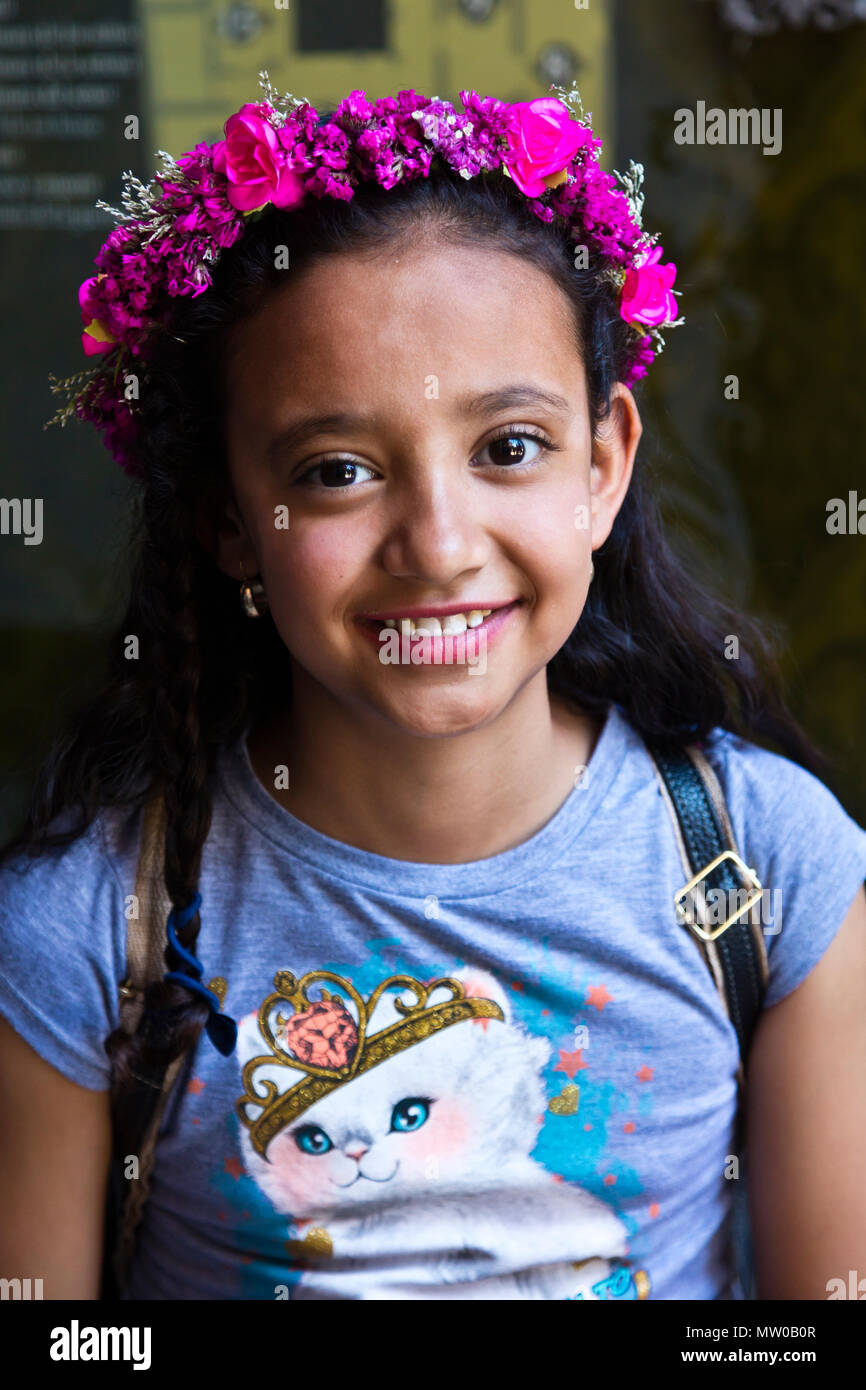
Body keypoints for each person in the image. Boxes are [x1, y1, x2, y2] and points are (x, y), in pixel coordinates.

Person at [1, 82, 864, 1302]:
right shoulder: (90, 929)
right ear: (233, 523)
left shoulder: (766, 872)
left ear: (602, 465)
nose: (439, 543)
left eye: (508, 446)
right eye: (338, 470)